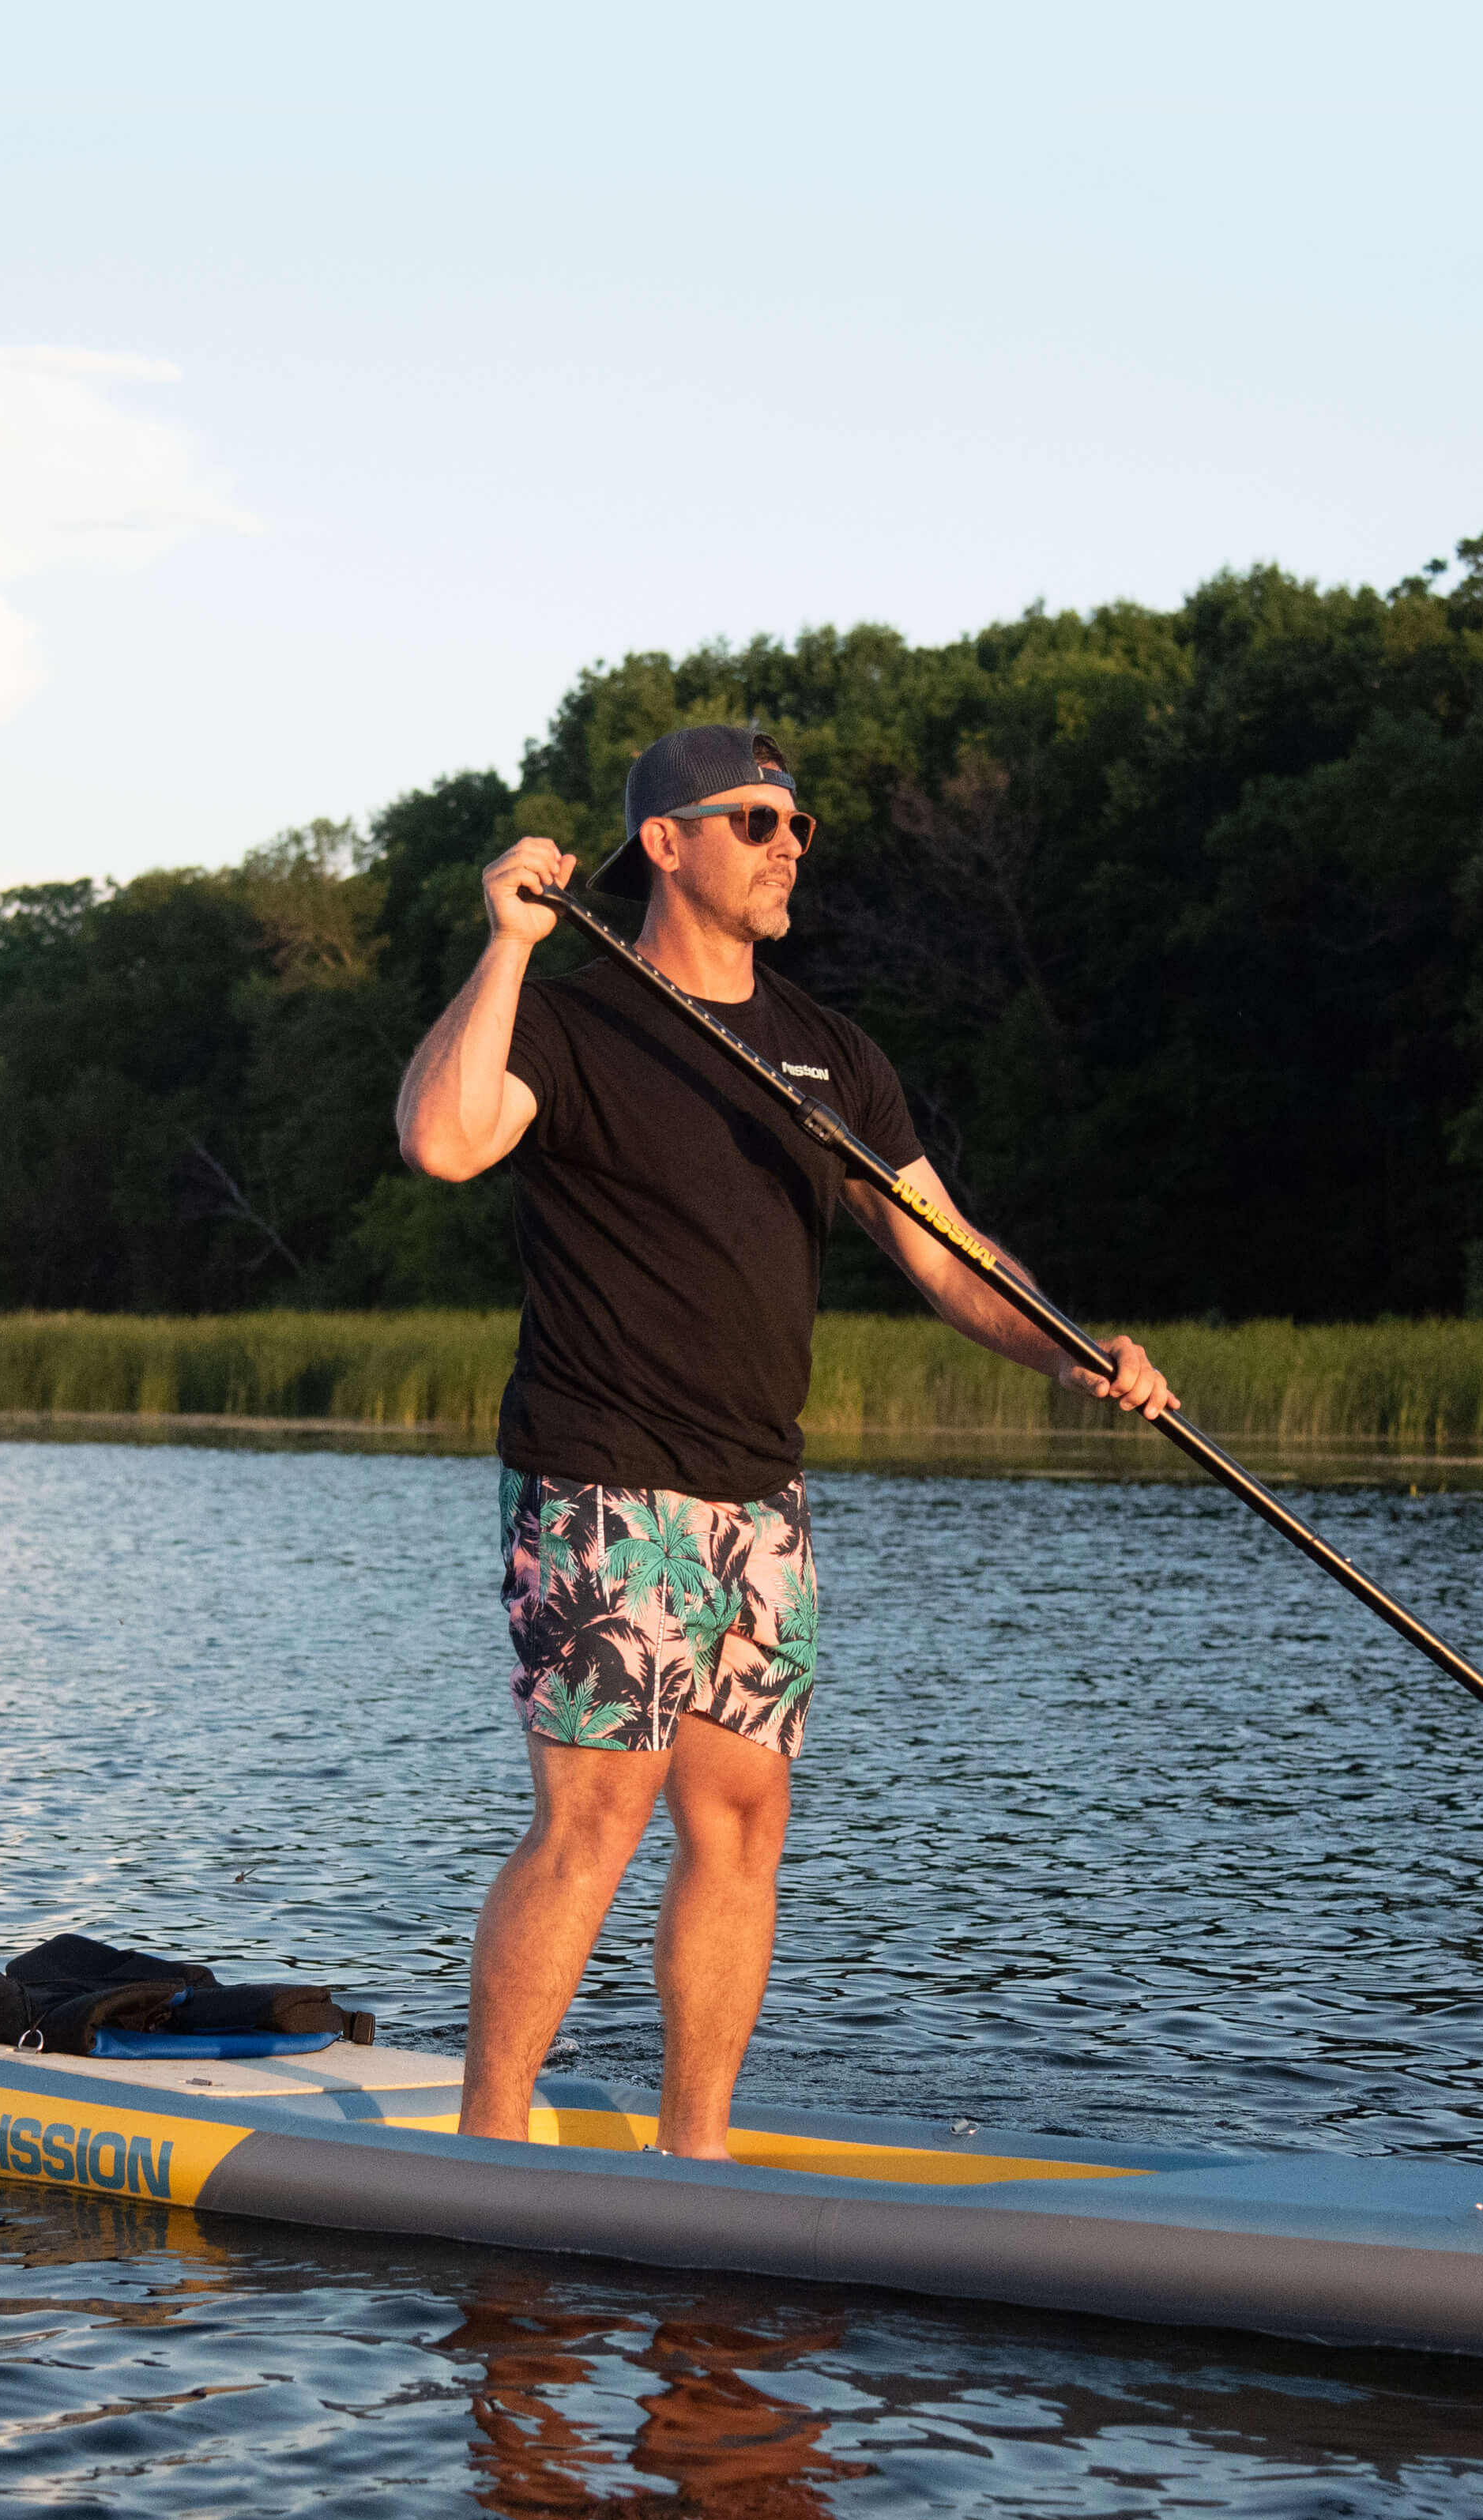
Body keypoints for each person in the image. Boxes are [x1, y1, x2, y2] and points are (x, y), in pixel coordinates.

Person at [395, 723, 1174, 2157]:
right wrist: (504, 947)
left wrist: (1075, 1349)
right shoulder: (569, 1017)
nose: (790, 843)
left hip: (760, 1499)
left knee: (743, 1821)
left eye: (797, 823)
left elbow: (942, 1249)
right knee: (600, 1815)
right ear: (667, 844)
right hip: (598, 1475)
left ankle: (698, 2158)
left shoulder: (830, 1054)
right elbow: (444, 1141)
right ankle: (487, 2146)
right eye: (757, 820)